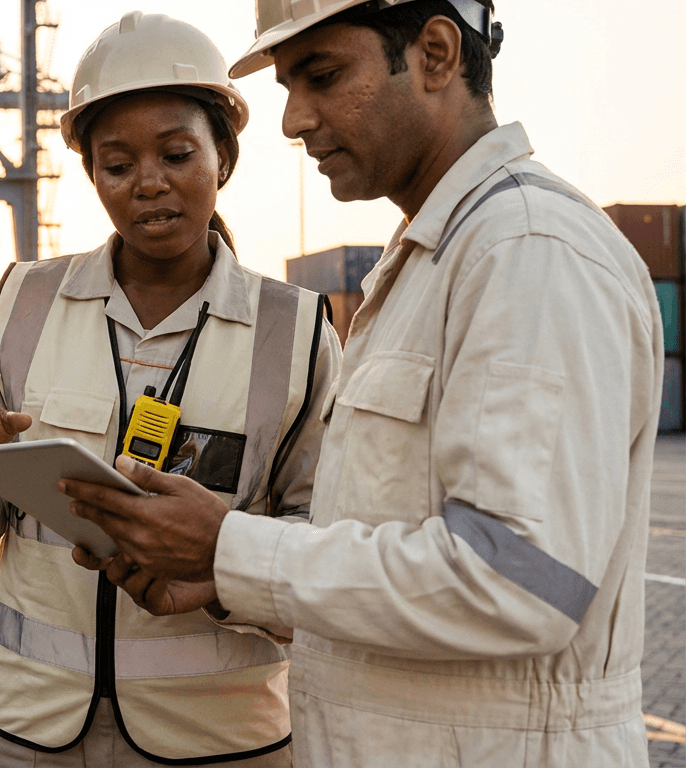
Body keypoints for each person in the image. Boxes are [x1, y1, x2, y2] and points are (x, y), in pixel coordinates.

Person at [61, 2, 663, 767]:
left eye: (322, 76)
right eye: (287, 85)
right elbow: (391, 537)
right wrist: (221, 575)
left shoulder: (528, 251)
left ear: (436, 55)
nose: (291, 120)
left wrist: (229, 544)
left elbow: (516, 582)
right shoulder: (430, 261)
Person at [0, 11, 341, 767]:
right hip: (28, 730)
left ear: (225, 157)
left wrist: (218, 557)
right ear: (92, 176)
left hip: (220, 741)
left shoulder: (298, 331)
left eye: (178, 154)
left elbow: (333, 545)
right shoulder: (22, 302)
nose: (149, 184)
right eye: (117, 166)